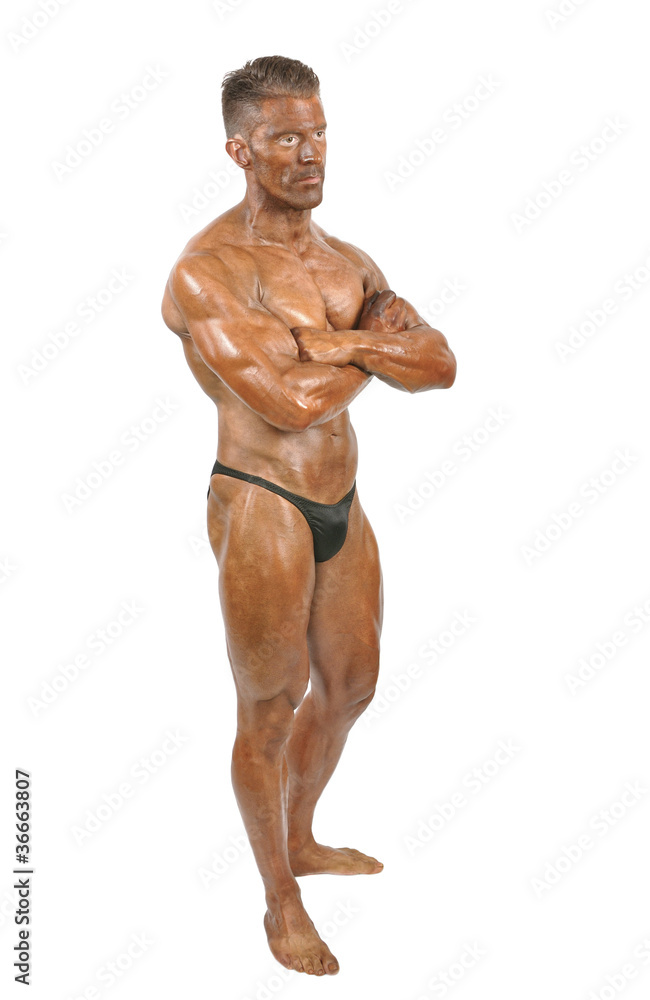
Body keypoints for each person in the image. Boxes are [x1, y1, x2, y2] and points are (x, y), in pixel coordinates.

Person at [161, 55, 456, 977]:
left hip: (342, 497)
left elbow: (441, 363)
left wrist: (335, 343)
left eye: (318, 132)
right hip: (264, 500)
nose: (310, 152)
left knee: (353, 684)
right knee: (268, 703)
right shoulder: (209, 272)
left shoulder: (349, 263)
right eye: (286, 137)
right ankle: (278, 898)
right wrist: (376, 348)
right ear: (240, 151)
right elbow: (287, 404)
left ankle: (300, 835)